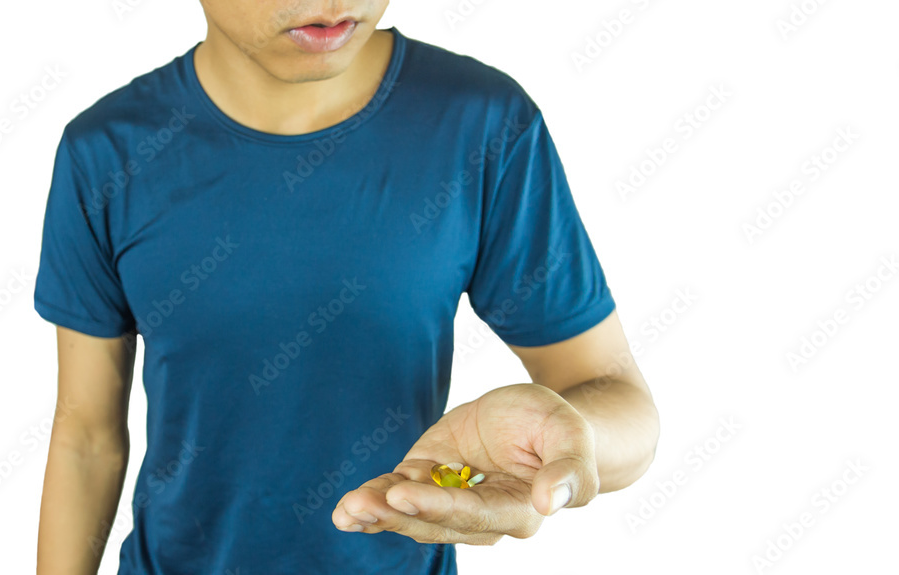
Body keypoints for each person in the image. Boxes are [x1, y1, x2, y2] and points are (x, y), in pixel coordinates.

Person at [33, 2, 661, 574]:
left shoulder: (483, 126)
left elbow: (619, 401)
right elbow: (86, 435)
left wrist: (564, 442)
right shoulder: (108, 153)